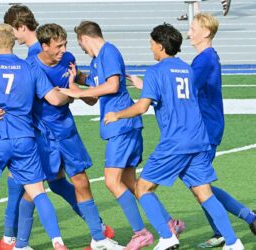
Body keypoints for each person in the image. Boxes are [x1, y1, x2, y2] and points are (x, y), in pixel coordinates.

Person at [0, 5, 114, 250]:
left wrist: (85, 85)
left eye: (12, 31)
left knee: (29, 186)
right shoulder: (35, 57)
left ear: (21, 27)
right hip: (41, 130)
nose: (11, 37)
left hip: (45, 131)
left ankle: (13, 241)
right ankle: (96, 227)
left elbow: (56, 91)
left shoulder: (42, 56)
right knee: (47, 184)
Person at [103, 23, 244, 250]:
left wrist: (116, 115)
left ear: (160, 45)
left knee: (142, 189)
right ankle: (233, 242)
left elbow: (141, 108)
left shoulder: (155, 72)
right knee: (204, 192)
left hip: (175, 142)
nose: (150, 48)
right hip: (198, 139)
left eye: (151, 44)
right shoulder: (187, 69)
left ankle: (167, 237)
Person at [59, 20, 186, 249]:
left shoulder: (109, 52)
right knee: (129, 181)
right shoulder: (99, 60)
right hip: (122, 127)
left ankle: (141, 233)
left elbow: (112, 86)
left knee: (111, 180)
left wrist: (76, 93)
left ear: (85, 38)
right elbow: (94, 88)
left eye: (81, 45)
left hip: (122, 126)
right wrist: (77, 81)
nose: (82, 50)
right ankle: (169, 223)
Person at [0, 23, 69, 250]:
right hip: (25, 139)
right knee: (38, 192)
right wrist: (72, 92)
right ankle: (57, 241)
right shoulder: (30, 68)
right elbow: (54, 99)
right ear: (12, 44)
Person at [188, 13, 256, 248]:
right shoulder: (205, 58)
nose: (189, 33)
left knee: (199, 185)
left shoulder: (204, 60)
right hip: (206, 128)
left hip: (205, 130)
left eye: (193, 28)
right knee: (198, 184)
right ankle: (229, 227)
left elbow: (186, 91)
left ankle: (246, 221)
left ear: (205, 32)